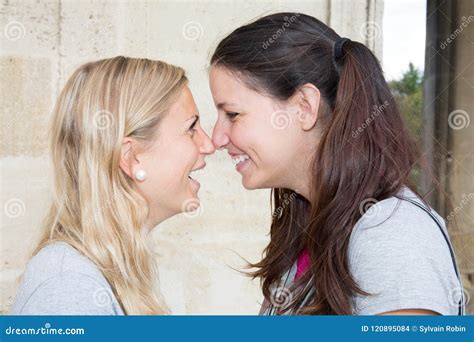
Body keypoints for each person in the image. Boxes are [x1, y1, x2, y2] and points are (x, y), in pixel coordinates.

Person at [209, 12, 465, 315]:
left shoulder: (390, 233)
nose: (217, 138)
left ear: (304, 106)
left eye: (233, 114)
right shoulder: (306, 228)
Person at [11, 56, 215, 315]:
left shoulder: (102, 273)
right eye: (191, 128)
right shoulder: (70, 286)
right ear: (131, 157)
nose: (209, 145)